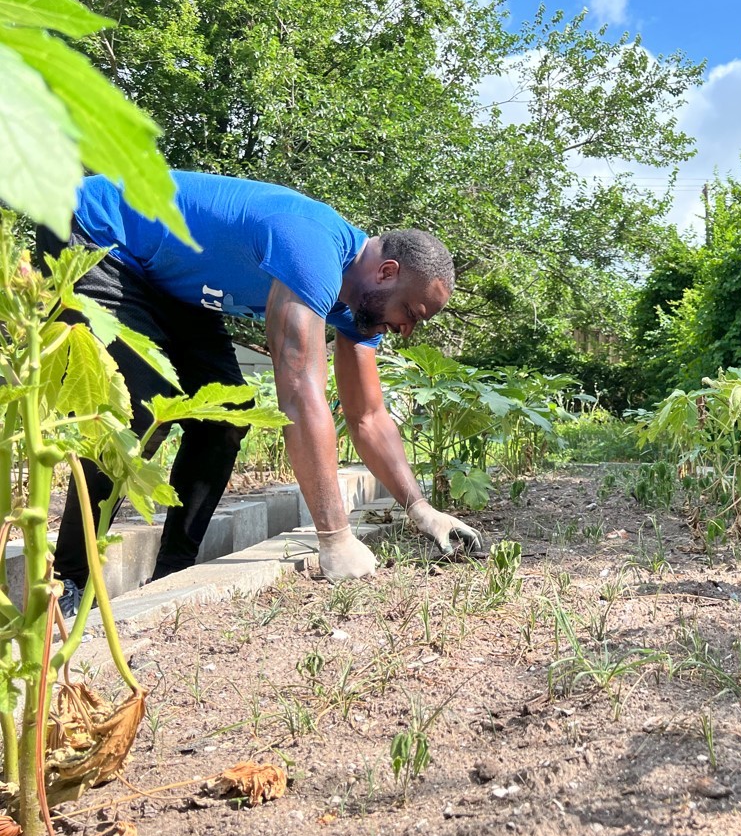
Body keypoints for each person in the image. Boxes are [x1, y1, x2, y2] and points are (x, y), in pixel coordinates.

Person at [39, 170, 484, 606]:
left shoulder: (360, 309)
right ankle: (69, 583)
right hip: (97, 231)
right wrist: (335, 538)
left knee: (227, 417)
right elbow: (298, 390)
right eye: (412, 312)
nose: (407, 331)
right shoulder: (313, 248)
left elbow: (367, 415)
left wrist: (420, 508)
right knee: (140, 408)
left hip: (172, 280)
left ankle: (174, 571)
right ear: (386, 272)